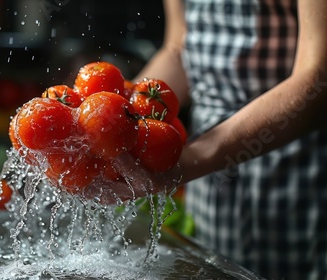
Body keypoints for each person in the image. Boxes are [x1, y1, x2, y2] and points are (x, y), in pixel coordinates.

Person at [107, 1, 327, 279]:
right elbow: (178, 50)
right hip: (210, 182)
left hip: (297, 175)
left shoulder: (196, 159)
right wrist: (116, 117)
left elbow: (319, 79)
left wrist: (190, 160)